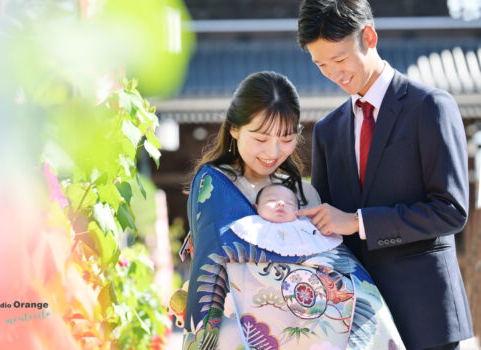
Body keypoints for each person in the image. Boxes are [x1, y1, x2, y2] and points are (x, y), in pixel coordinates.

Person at [181, 71, 405, 349]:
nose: (273, 152)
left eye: (286, 139)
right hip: (239, 327)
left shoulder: (303, 193)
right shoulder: (214, 183)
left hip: (309, 332)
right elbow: (208, 263)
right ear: (234, 129)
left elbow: (332, 261)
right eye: (261, 139)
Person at [296, 1, 473, 349]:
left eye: (340, 59)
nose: (334, 73)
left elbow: (451, 211)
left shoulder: (430, 107)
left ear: (369, 36)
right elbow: (326, 227)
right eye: (321, 65)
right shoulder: (328, 131)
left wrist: (359, 222)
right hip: (359, 324)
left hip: (429, 319)